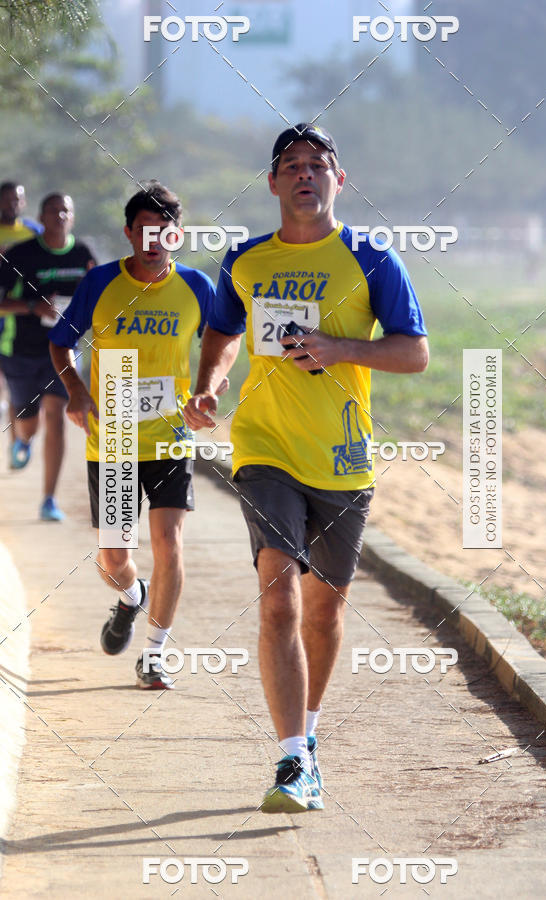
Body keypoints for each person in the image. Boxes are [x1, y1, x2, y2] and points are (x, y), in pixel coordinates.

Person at [183, 124, 429, 813]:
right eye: (290, 165)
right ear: (272, 182)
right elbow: (223, 330)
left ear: (338, 180)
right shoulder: (245, 259)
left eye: (317, 165)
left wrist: (340, 348)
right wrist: (210, 385)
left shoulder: (371, 258)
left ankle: (310, 735)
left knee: (323, 610)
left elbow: (414, 353)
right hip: (264, 449)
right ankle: (290, 759)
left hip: (342, 458)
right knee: (279, 598)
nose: (304, 174)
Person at [49, 182, 220, 689]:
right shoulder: (100, 282)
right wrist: (76, 392)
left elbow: (222, 345)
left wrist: (208, 390)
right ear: (129, 233)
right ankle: (130, 595)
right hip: (115, 439)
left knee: (169, 542)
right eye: (144, 231)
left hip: (170, 437)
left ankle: (154, 653)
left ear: (177, 235)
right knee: (114, 560)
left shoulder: (197, 287)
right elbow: (61, 343)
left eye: (164, 231)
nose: (154, 241)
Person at [0, 192, 95, 519]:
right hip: (22, 350)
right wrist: (33, 306)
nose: (60, 216)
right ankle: (23, 439)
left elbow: (100, 294)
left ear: (73, 217)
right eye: (53, 210)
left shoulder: (83, 254)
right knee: (29, 423)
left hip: (64, 349)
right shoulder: (20, 254)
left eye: (65, 210)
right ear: (41, 218)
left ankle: (49, 500)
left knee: (57, 416)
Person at [0, 181, 43, 444]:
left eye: (16, 200)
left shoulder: (33, 232)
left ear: (24, 202)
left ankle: (17, 442)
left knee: (15, 388)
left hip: (16, 316)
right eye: (6, 199)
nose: (11, 204)